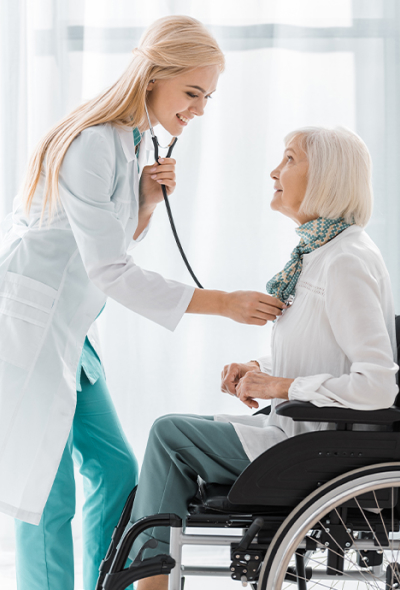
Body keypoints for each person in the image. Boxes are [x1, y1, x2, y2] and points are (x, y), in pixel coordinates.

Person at [0, 16, 285, 590]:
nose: (200, 108)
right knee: (45, 491)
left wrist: (147, 203)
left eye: (207, 96)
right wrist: (222, 302)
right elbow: (110, 269)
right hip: (30, 332)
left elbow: (104, 245)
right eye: (192, 92)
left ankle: (106, 583)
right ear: (154, 76)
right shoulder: (92, 142)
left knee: (115, 469)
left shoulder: (127, 141)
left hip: (71, 334)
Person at [124, 126, 399, 590]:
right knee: (172, 433)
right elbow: (321, 352)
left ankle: (149, 580)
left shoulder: (346, 259)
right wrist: (259, 370)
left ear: (327, 175)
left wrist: (281, 388)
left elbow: (377, 385)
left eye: (289, 160)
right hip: (300, 432)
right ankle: (151, 577)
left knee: (169, 434)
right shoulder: (320, 254)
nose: (275, 171)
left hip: (316, 447)